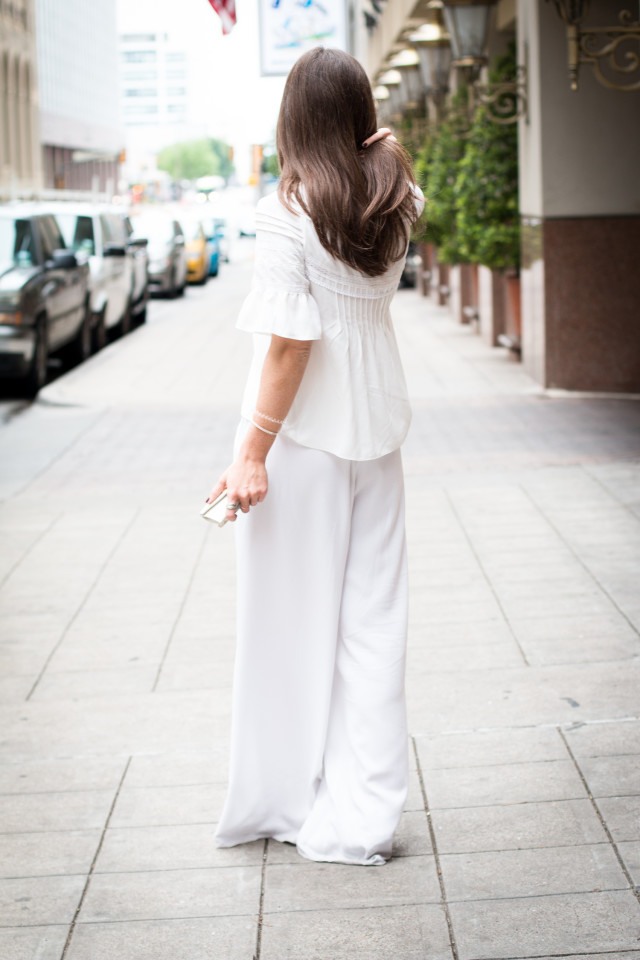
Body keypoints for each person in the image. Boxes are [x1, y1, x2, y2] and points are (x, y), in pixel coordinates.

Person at [207, 46, 424, 866]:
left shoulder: (287, 210)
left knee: (283, 628)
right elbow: (389, 157)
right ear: (363, 116)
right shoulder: (394, 198)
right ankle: (365, 813)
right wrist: (381, 145)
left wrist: (250, 454)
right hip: (379, 437)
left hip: (298, 443)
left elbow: (290, 344)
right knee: (374, 627)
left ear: (292, 118)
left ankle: (282, 798)